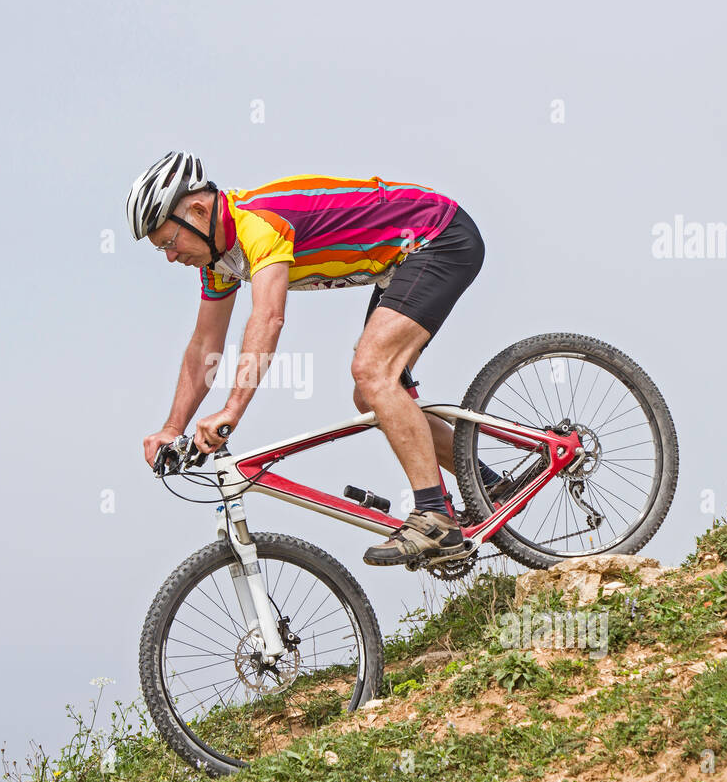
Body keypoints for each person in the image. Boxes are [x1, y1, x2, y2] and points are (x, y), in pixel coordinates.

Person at [131, 151, 491, 568]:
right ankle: (487, 486)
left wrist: (231, 410)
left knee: (373, 370)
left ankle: (433, 517)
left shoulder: (257, 224)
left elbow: (268, 317)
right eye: (162, 251)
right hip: (400, 260)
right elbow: (203, 347)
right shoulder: (219, 262)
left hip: (437, 236)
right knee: (370, 394)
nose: (171, 258)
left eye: (169, 243)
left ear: (197, 210)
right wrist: (172, 428)